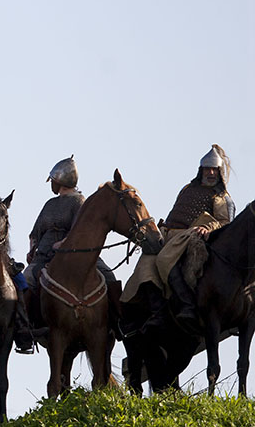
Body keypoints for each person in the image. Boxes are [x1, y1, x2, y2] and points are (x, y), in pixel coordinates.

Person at [121, 144, 235, 328]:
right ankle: (156, 311)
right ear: (201, 170)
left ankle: (187, 304)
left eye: (214, 170)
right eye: (208, 169)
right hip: (167, 233)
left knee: (165, 259)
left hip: (189, 235)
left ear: (219, 172)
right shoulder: (187, 188)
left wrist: (208, 228)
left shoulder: (221, 196)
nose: (211, 173)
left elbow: (224, 223)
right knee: (146, 264)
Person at [21, 156, 119, 335]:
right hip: (44, 254)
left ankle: (119, 322)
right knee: (25, 280)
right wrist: (32, 248)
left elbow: (79, 230)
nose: (52, 183)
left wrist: (64, 243)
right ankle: (24, 326)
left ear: (59, 179)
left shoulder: (78, 201)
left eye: (53, 180)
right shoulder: (50, 204)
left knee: (107, 275)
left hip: (74, 253)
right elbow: (35, 232)